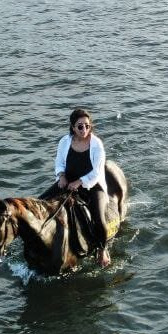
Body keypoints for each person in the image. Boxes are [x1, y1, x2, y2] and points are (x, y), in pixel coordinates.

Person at [39, 109, 113, 267]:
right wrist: (61, 176)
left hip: (92, 186)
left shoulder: (97, 144)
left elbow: (96, 172)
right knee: (39, 203)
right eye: (80, 126)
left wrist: (80, 182)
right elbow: (59, 163)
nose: (84, 129)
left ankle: (102, 249)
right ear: (73, 127)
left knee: (99, 218)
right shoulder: (64, 141)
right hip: (67, 182)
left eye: (87, 126)